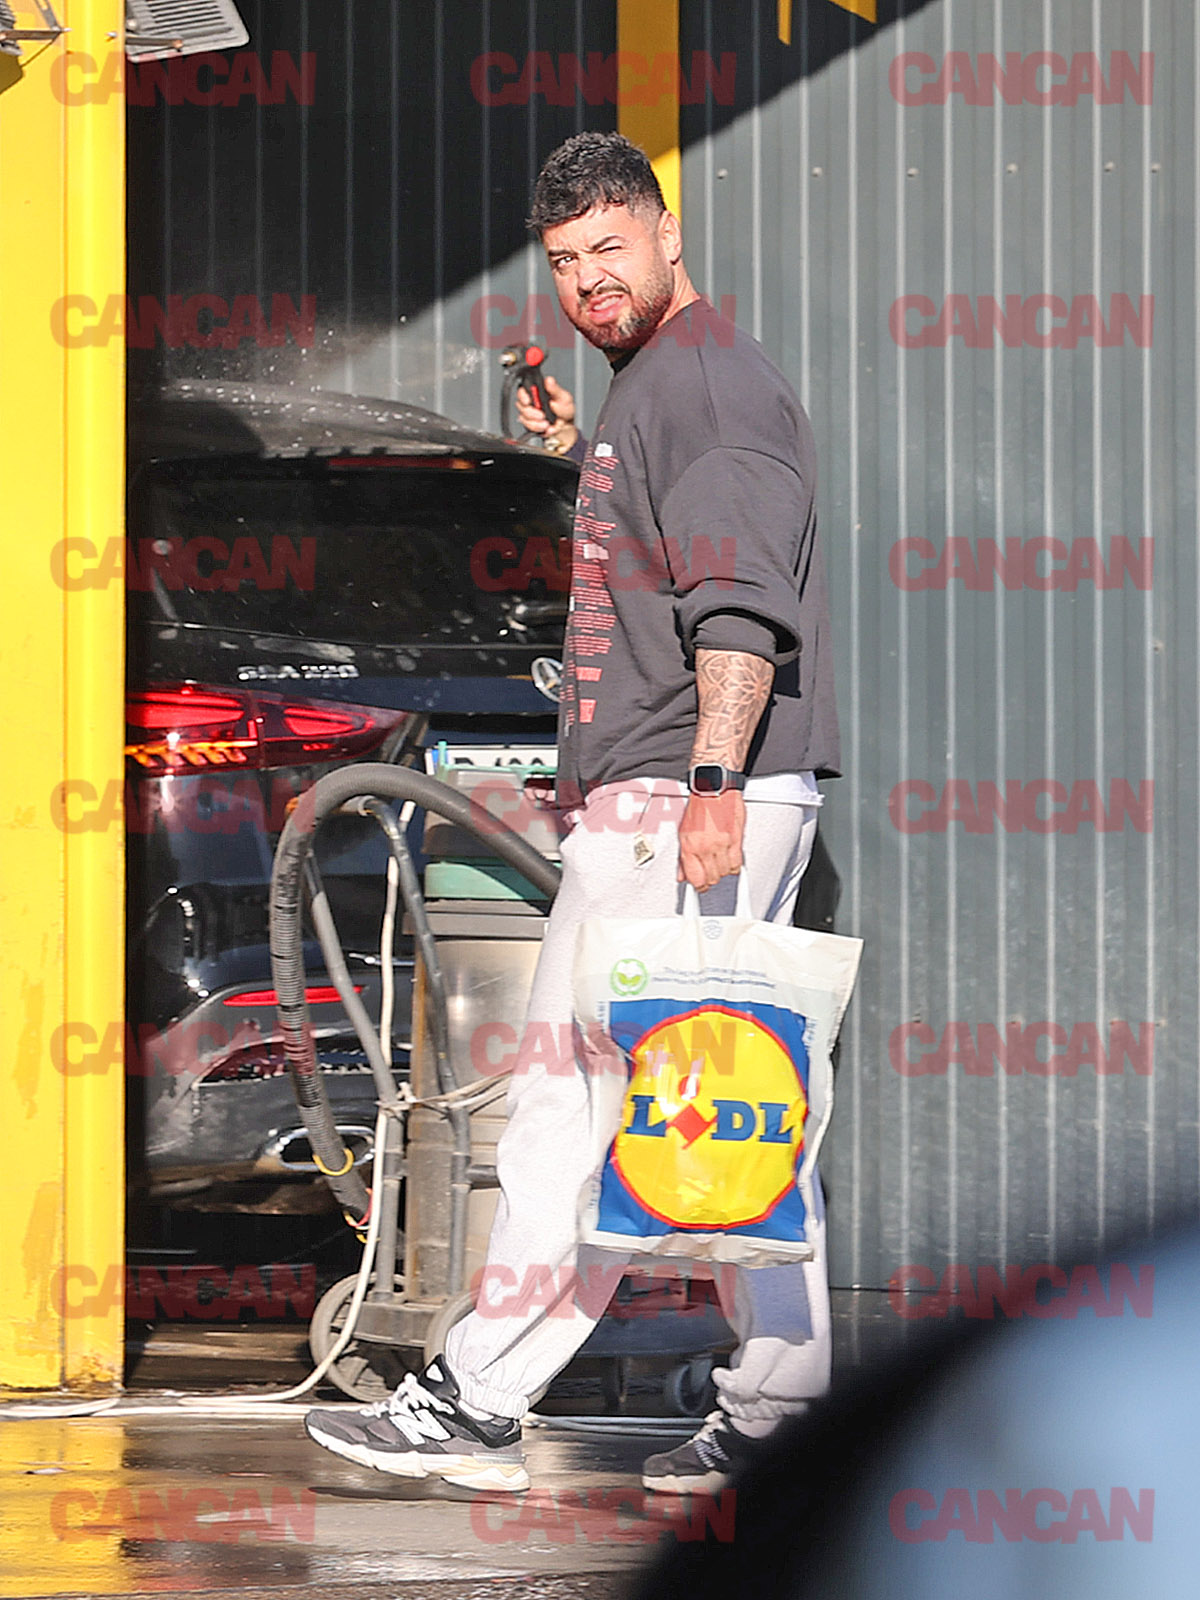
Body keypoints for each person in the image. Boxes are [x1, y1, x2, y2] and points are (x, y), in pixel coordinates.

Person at [304, 130, 840, 1495]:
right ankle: (782, 1419)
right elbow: (665, 558)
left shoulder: (705, 388)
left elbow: (738, 608)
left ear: (668, 234)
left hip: (685, 799)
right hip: (679, 793)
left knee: (575, 1106)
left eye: (610, 247)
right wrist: (577, 448)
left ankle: (481, 1401)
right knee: (728, 1101)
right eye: (563, 261)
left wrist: (708, 785)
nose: (588, 278)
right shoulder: (663, 383)